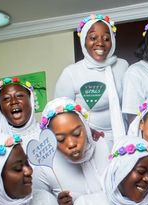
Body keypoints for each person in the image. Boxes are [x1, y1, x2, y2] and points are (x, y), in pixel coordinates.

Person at [55, 14, 128, 148]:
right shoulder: (71, 73)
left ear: (112, 41)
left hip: (125, 136)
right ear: (84, 41)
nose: (100, 43)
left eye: (106, 38)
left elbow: (131, 101)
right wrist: (86, 132)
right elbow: (60, 113)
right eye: (93, 38)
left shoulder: (123, 66)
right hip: (91, 140)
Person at [34, 97, 110, 205]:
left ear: (86, 127)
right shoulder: (44, 170)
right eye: (60, 139)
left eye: (76, 133)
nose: (71, 144)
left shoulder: (106, 146)